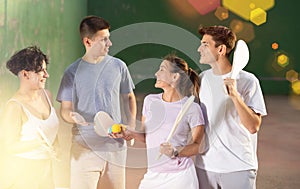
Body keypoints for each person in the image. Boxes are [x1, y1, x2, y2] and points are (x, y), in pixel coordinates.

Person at [56, 15, 136, 189]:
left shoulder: (119, 66)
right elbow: (65, 110)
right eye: (104, 39)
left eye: (109, 38)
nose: (110, 43)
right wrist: (72, 117)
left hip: (115, 148)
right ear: (88, 42)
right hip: (84, 149)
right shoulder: (71, 72)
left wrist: (130, 125)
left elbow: (129, 97)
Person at [194, 25, 267, 189]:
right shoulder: (202, 79)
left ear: (220, 49)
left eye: (205, 44)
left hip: (238, 166)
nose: (199, 49)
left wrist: (234, 95)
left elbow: (253, 126)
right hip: (205, 165)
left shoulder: (248, 80)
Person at [121, 54, 205, 189]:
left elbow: (197, 146)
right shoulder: (150, 101)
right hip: (153, 175)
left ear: (175, 77)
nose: (156, 73)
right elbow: (146, 137)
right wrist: (129, 132)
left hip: (181, 177)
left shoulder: (192, 108)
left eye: (162, 69)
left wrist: (175, 151)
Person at [0, 46, 59, 189]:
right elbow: (8, 146)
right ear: (25, 74)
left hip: (47, 173)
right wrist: (37, 143)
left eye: (46, 70)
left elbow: (51, 133)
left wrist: (56, 147)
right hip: (24, 175)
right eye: (41, 71)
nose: (46, 75)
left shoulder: (47, 95)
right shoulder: (14, 107)